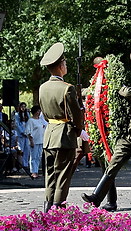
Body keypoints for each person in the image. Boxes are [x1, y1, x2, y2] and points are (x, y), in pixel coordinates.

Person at [82, 51, 131, 216]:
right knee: (113, 164)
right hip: (130, 132)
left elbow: (129, 94)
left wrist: (118, 87)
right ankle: (96, 197)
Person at [39, 42, 84, 212]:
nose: (66, 66)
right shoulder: (68, 88)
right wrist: (79, 131)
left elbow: (44, 114)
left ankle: (48, 206)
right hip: (64, 136)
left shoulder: (43, 88)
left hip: (49, 135)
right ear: (60, 67)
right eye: (64, 63)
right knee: (63, 174)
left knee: (50, 175)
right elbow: (76, 116)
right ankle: (58, 208)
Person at [25, 105, 47, 179]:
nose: (39, 112)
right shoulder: (31, 121)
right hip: (34, 140)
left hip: (41, 140)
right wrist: (31, 141)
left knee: (38, 156)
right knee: (33, 156)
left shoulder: (40, 120)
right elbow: (28, 131)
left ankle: (36, 171)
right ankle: (33, 172)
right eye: (38, 111)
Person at [15, 102, 30, 169]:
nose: (23, 108)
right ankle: (21, 164)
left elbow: (29, 123)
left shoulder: (27, 114)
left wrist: (27, 132)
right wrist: (22, 132)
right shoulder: (17, 114)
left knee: (27, 148)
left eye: (24, 106)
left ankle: (25, 163)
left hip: (26, 134)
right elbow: (17, 124)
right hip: (21, 134)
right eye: (22, 106)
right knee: (21, 149)